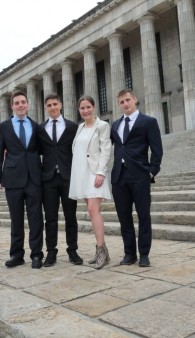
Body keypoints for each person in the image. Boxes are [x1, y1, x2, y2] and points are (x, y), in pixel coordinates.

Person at [110, 89, 163, 267]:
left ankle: (144, 254)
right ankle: (129, 253)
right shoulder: (115, 125)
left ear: (135, 99)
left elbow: (157, 149)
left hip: (139, 175)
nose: (125, 104)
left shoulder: (148, 122)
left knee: (143, 216)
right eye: (122, 102)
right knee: (124, 217)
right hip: (119, 176)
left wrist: (151, 171)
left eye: (127, 100)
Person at [0, 91, 44, 269]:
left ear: (28, 104)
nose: (20, 105)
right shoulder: (4, 127)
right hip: (12, 179)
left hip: (34, 178)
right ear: (12, 106)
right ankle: (16, 255)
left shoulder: (36, 126)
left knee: (36, 218)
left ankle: (37, 255)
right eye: (17, 103)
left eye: (23, 102)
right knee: (16, 219)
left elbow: (43, 149)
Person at [37, 93, 83, 267]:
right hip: (48, 179)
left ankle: (72, 250)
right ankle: (51, 252)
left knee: (71, 217)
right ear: (46, 108)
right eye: (49, 105)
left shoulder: (72, 127)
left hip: (68, 178)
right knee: (50, 218)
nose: (52, 107)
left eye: (55, 104)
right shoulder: (40, 129)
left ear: (61, 105)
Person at [69, 95, 112, 269]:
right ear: (79, 110)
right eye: (82, 108)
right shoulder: (79, 128)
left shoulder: (102, 126)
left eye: (88, 107)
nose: (85, 110)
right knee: (91, 210)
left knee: (93, 209)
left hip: (95, 172)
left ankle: (100, 249)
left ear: (93, 107)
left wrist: (101, 172)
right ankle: (104, 251)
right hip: (81, 173)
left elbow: (105, 149)